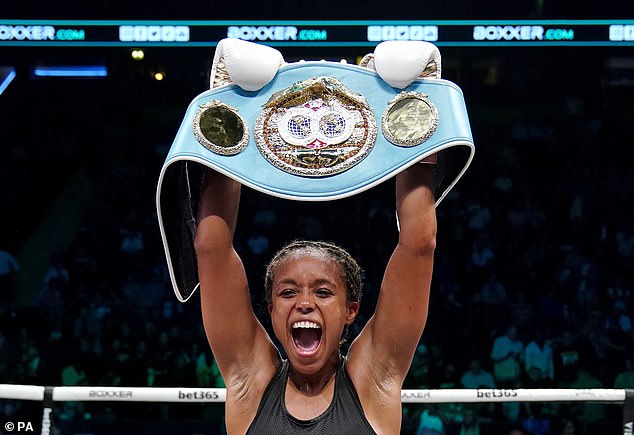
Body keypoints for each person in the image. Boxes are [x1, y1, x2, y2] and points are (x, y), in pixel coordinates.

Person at [194, 162, 437, 434]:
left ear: (350, 310)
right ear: (272, 310)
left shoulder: (372, 381)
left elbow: (420, 244)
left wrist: (415, 138)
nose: (305, 303)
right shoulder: (251, 381)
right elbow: (210, 247)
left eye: (322, 292)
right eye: (288, 292)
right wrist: (222, 144)